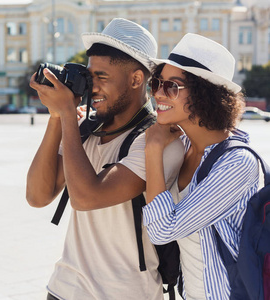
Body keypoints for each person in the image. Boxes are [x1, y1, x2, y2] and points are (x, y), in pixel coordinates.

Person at [26, 18, 184, 300]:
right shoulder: (86, 130)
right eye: (89, 76)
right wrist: (56, 118)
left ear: (136, 79)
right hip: (64, 289)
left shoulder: (158, 140)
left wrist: (67, 118)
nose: (91, 87)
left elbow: (87, 198)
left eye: (102, 76)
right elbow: (38, 196)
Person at [142, 33, 260, 299]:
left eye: (172, 86)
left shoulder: (238, 163)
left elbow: (162, 230)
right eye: (157, 83)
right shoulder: (183, 147)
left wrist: (153, 147)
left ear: (205, 94)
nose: (159, 93)